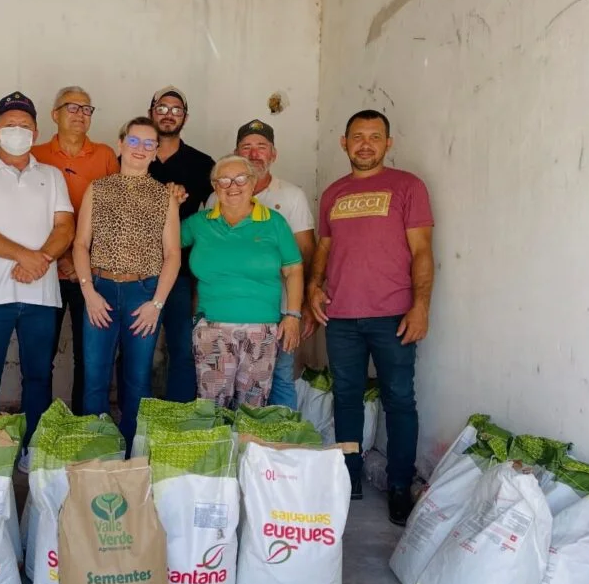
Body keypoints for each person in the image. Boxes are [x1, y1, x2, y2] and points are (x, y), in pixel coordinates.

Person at [308, 109, 434, 526]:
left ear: (388, 143)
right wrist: (314, 286)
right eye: (357, 136)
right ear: (344, 143)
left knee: (399, 399)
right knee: (346, 397)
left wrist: (421, 305)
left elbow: (422, 250)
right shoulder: (333, 192)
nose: (366, 144)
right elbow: (324, 247)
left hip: (393, 314)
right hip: (341, 315)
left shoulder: (407, 186)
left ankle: (399, 485)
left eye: (375, 136)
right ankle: (349, 476)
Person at [0, 92, 75, 470]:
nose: (18, 131)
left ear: (36, 132)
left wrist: (40, 260)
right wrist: (26, 256)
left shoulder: (51, 176)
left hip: (42, 295)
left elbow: (65, 227)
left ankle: (32, 449)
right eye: (10, 125)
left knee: (39, 376)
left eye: (25, 126)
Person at [73, 116, 181, 451]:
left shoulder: (164, 197)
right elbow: (80, 244)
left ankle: (133, 453)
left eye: (149, 143)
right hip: (100, 290)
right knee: (94, 376)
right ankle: (97, 451)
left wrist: (157, 304)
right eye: (134, 141)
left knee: (137, 379)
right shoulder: (98, 189)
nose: (140, 149)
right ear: (120, 144)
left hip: (143, 294)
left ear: (156, 151)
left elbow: (172, 255)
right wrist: (88, 292)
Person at [205, 120, 316, 408]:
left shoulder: (291, 196)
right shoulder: (216, 197)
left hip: (280, 308)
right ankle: (233, 437)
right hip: (226, 310)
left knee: (280, 376)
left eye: (262, 147)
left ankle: (279, 436)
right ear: (236, 153)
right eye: (247, 147)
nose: (254, 154)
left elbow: (306, 254)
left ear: (273, 154)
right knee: (225, 383)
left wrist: (300, 308)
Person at [184, 155, 304, 409]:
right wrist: (171, 205)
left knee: (252, 407)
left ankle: (246, 439)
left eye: (240, 179)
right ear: (215, 186)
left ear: (252, 182)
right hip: (212, 327)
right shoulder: (199, 223)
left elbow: (293, 269)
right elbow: (165, 244)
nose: (233, 186)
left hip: (262, 330)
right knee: (211, 406)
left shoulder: (274, 222)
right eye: (224, 180)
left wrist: (293, 315)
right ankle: (217, 439)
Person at [32, 86, 119, 414]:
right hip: (44, 270)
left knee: (89, 356)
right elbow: (27, 215)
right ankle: (41, 424)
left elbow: (113, 216)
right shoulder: (35, 154)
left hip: (90, 273)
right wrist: (60, 257)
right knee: (41, 355)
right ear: (54, 115)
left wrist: (81, 260)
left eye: (86, 109)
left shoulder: (105, 155)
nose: (80, 114)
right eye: (72, 107)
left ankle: (83, 424)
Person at [145, 86, 215, 402]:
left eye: (176, 109)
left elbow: (214, 219)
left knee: (182, 349)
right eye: (162, 107)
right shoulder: (134, 158)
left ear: (185, 117)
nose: (168, 114)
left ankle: (178, 419)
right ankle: (136, 420)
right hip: (136, 271)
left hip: (183, 274)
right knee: (136, 350)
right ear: (151, 112)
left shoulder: (202, 164)